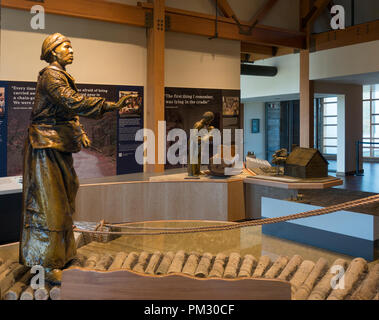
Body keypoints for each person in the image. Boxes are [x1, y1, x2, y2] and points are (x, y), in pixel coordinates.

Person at [19, 33, 128, 284]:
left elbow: (66, 111)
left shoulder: (62, 76)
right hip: (45, 146)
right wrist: (111, 105)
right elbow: (72, 101)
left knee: (65, 198)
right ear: (53, 51)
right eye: (66, 46)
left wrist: (79, 132)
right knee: (50, 205)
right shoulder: (51, 75)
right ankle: (46, 264)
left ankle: (62, 255)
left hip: (57, 145)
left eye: (71, 46)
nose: (71, 50)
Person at [187, 111, 215, 177]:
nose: (210, 122)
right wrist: (205, 138)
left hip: (198, 143)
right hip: (193, 143)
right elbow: (193, 136)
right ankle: (192, 173)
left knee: (198, 158)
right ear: (207, 119)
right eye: (210, 120)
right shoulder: (199, 125)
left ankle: (197, 171)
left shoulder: (204, 125)